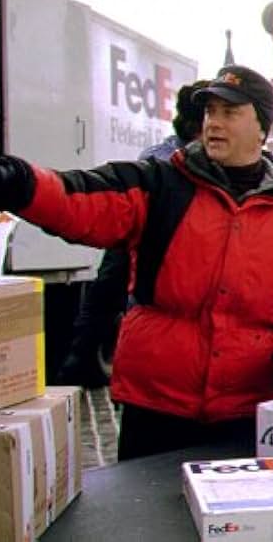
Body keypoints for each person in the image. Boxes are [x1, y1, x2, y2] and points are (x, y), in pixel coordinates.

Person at [0, 64, 273, 461]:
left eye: (230, 112)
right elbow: (76, 198)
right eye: (210, 112)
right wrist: (9, 180)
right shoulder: (159, 185)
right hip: (157, 409)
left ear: (262, 127)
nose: (214, 122)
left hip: (245, 413)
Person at [53, 78, 210, 389]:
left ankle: (81, 367)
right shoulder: (172, 161)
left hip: (130, 246)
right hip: (149, 249)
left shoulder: (158, 152)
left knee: (101, 305)